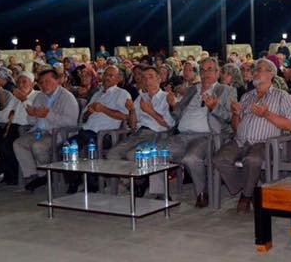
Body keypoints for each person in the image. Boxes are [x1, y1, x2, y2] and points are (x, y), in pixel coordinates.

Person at [214, 58, 291, 213]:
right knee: (219, 159)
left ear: (271, 74)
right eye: (255, 70)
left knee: (253, 160)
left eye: (259, 69)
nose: (255, 72)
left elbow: (290, 125)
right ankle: (248, 187)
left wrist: (267, 114)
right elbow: (236, 128)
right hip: (240, 141)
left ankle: (246, 196)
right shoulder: (246, 96)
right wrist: (236, 115)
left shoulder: (282, 96)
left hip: (264, 143)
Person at [164, 57, 237, 207]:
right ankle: (159, 193)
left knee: (191, 159)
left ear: (218, 73)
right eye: (202, 70)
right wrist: (172, 105)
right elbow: (177, 114)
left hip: (206, 136)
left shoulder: (226, 90)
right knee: (156, 153)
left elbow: (230, 117)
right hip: (182, 135)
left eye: (210, 69)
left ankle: (201, 192)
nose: (205, 73)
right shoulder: (192, 89)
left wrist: (214, 107)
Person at [106, 66, 175, 194]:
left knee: (132, 155)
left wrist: (150, 111)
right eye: (144, 78)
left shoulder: (166, 97)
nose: (147, 80)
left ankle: (142, 184)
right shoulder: (140, 98)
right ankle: (134, 183)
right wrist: (132, 110)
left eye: (151, 77)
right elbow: (132, 125)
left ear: (159, 79)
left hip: (156, 133)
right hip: (138, 133)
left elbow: (170, 125)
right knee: (112, 154)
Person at [64, 65, 131, 193]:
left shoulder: (122, 94)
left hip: (104, 135)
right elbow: (83, 118)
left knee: (90, 147)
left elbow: (125, 116)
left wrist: (103, 109)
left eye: (111, 76)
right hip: (87, 131)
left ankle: (92, 185)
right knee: (65, 148)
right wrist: (89, 112)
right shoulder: (97, 94)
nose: (107, 78)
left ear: (118, 79)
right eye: (106, 75)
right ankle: (74, 181)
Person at [17, 68, 79, 191]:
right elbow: (32, 122)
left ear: (57, 81)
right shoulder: (40, 96)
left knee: (38, 146)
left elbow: (71, 122)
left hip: (58, 133)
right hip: (39, 130)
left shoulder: (67, 97)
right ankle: (33, 175)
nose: (44, 85)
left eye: (47, 81)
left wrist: (48, 115)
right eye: (41, 82)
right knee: (18, 143)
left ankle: (45, 175)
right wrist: (32, 114)